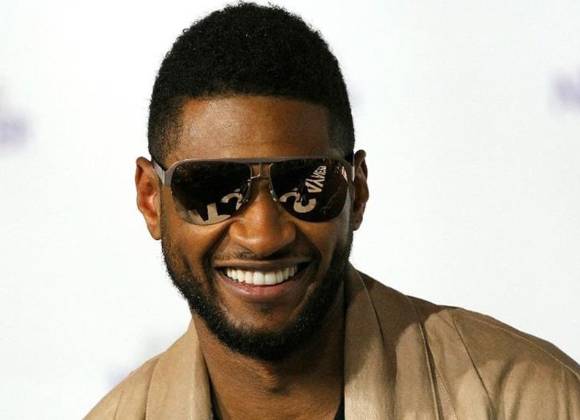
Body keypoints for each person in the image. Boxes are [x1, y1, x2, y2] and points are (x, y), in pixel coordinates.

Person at [86, 3, 580, 419]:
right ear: (151, 199)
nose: (263, 235)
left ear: (357, 192)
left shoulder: (527, 401)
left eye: (305, 185)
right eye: (214, 188)